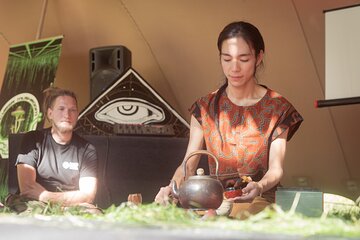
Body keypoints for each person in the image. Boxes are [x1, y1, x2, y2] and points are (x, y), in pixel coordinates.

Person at [154, 21, 303, 218]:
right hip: (214, 201)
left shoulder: (277, 108)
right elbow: (188, 165)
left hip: (259, 202)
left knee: (241, 216)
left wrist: (258, 186)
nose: (234, 68)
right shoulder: (204, 108)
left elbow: (275, 170)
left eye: (243, 59)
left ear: (259, 57)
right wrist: (171, 188)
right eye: (227, 59)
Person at [10, 87, 98, 211]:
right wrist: (70, 199)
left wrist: (47, 197)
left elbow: (88, 196)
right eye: (61, 109)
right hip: (35, 205)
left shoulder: (87, 149)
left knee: (94, 212)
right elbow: (27, 188)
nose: (67, 115)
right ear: (50, 113)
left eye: (72, 110)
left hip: (69, 207)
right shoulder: (33, 139)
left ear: (77, 115)